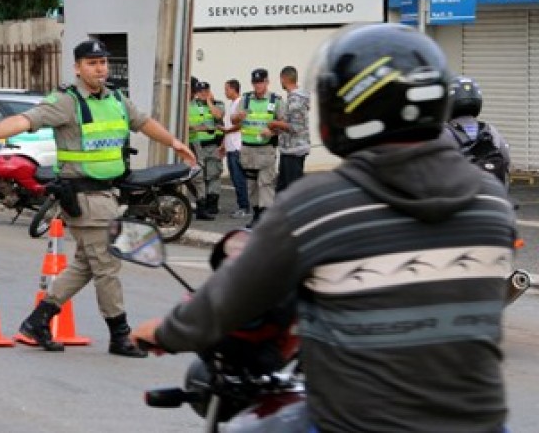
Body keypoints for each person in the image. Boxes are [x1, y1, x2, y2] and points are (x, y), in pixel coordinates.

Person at [132, 23, 515, 432]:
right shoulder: (492, 203)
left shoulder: (318, 205)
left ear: (347, 109)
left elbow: (228, 302)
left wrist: (168, 331)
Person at [0, 39, 196, 357]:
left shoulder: (118, 99)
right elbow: (23, 121)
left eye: (103, 62)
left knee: (85, 264)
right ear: (77, 67)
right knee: (106, 267)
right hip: (85, 197)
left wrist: (175, 142)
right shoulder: (66, 101)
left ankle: (38, 321)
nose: (100, 68)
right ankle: (120, 335)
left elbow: (145, 123)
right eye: (92, 63)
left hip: (107, 193)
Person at [232, 68, 282, 227]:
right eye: (255, 82)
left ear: (267, 82)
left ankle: (265, 219)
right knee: (252, 185)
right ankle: (256, 215)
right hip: (248, 149)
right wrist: (237, 117)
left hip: (266, 149)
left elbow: (285, 124)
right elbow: (234, 121)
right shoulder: (245, 99)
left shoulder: (276, 101)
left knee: (265, 184)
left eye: (261, 82)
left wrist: (273, 131)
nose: (258, 85)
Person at [443, 75, 510, 184]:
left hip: (458, 195)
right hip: (491, 193)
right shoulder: (490, 130)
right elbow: (506, 160)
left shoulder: (444, 132)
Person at [269, 66, 311, 193]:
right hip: (290, 149)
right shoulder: (295, 97)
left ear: (283, 79)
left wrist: (274, 123)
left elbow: (295, 127)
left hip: (294, 150)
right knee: (282, 188)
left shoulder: (296, 99)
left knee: (292, 190)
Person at [188, 80, 225, 217]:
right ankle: (202, 206)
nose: (203, 94)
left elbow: (218, 115)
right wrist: (197, 128)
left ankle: (212, 205)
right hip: (196, 146)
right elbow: (186, 124)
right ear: (196, 93)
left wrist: (209, 102)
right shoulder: (189, 106)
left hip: (212, 145)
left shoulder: (218, 104)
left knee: (213, 175)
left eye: (206, 91)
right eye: (200, 92)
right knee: (198, 177)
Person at [219, 79, 250, 218]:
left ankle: (244, 207)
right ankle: (242, 205)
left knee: (239, 179)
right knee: (236, 179)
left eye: (227, 89)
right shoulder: (231, 104)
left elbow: (242, 125)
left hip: (238, 147)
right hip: (231, 147)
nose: (225, 92)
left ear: (233, 89)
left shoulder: (240, 103)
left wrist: (226, 131)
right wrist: (223, 145)